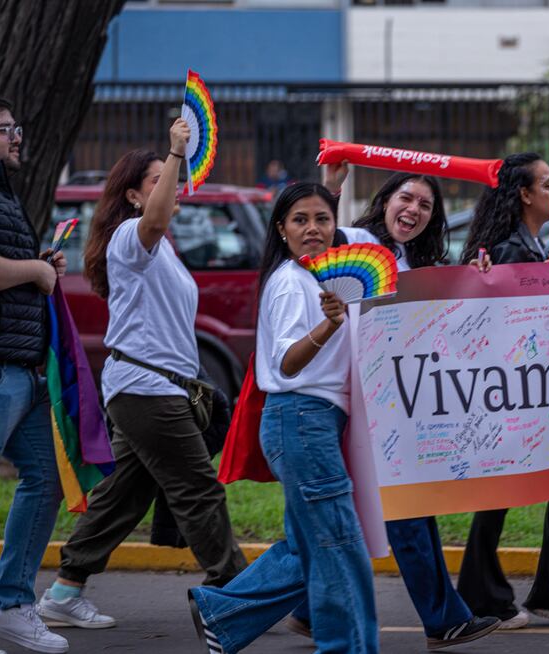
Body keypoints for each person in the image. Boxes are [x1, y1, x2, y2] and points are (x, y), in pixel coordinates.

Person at [38, 121, 247, 630]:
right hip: (145, 391)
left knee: (124, 498)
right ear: (133, 196)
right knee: (198, 490)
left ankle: (65, 591)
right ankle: (241, 593)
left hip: (151, 389)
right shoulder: (132, 236)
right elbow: (151, 223)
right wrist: (177, 151)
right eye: (156, 181)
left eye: (169, 177)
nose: (169, 187)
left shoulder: (161, 247)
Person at [286, 162, 498, 650]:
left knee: (355, 519)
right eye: (407, 198)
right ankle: (444, 620)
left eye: (425, 205)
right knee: (400, 511)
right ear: (385, 201)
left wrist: (476, 277)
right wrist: (331, 185)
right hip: (363, 405)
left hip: (390, 408)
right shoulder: (358, 238)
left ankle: (299, 610)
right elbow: (321, 233)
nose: (414, 209)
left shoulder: (404, 259)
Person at [188, 183, 378, 654]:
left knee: (311, 547)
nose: (312, 228)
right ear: (282, 229)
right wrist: (329, 324)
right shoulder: (293, 282)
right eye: (300, 220)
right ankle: (348, 648)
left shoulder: (326, 274)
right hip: (303, 419)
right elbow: (289, 362)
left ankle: (223, 614)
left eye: (322, 219)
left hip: (312, 424)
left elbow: (372, 239)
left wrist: (333, 185)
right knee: (339, 547)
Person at [456, 152, 549, 630]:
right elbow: (516, 324)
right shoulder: (512, 250)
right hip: (517, 393)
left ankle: (547, 591)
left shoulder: (530, 247)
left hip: (538, 390)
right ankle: (488, 595)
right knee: (504, 487)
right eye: (547, 184)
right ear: (523, 194)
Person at [0, 92, 69, 654]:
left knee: (47, 479)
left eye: (17, 128)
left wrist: (37, 269)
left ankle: (9, 607)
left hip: (21, 371)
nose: (17, 137)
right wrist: (33, 267)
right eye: (6, 129)